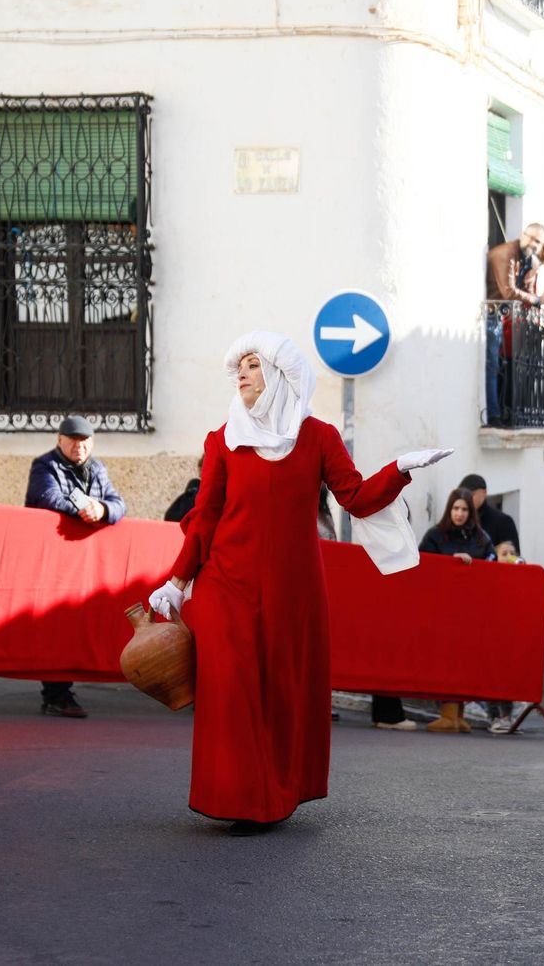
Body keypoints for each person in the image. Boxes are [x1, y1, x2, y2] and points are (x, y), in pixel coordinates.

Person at [146, 331, 451, 835]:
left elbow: (353, 497)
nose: (240, 373)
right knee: (233, 690)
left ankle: (275, 793)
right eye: (237, 367)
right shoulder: (221, 440)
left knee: (280, 692)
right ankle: (241, 799)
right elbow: (205, 518)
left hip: (293, 590)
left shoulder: (318, 437)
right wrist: (178, 580)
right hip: (227, 585)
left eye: (252, 364)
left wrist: (399, 469)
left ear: (281, 374)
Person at [24, 416, 127, 719]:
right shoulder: (44, 465)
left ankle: (63, 689)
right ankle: (55, 693)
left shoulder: (97, 468)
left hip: (84, 561)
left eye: (84, 440)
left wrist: (104, 509)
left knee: (76, 621)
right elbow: (47, 497)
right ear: (60, 440)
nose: (79, 445)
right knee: (55, 624)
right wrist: (86, 508)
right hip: (53, 559)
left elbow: (118, 502)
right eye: (73, 439)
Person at [418, 487, 495, 733]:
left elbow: (492, 564)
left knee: (465, 661)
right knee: (446, 660)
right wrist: (452, 562)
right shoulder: (435, 536)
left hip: (472, 613)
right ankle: (447, 713)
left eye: (464, 509)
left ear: (471, 512)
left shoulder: (481, 538)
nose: (459, 514)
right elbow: (423, 565)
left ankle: (458, 714)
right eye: (455, 508)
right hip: (442, 611)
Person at [484, 224, 544, 424]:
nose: (533, 244)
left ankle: (508, 411)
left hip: (503, 317)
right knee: (493, 366)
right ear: (522, 234)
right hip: (492, 315)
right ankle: (493, 415)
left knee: (504, 366)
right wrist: (537, 300)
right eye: (531, 238)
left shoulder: (526, 259)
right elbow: (508, 291)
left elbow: (522, 289)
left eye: (538, 242)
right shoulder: (506, 254)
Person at [458, 473, 519, 554]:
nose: (467, 499)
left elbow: (513, 558)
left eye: (471, 494)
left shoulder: (503, 522)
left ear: (484, 493)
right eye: (464, 495)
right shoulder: (458, 519)